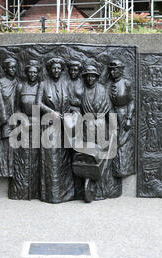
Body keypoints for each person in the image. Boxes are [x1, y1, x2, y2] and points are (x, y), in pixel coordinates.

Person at [79, 64, 121, 201]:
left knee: (102, 157)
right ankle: (87, 187)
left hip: (101, 126)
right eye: (88, 76)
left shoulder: (102, 90)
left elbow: (110, 109)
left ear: (96, 77)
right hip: (87, 127)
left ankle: (100, 189)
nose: (90, 78)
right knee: (89, 157)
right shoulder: (81, 90)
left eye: (93, 76)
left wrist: (114, 127)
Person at [36, 57, 74, 203]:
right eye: (54, 68)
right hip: (50, 126)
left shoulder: (66, 84)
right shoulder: (43, 84)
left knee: (64, 161)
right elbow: (38, 103)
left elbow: (70, 102)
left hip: (64, 126)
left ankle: (66, 194)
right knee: (52, 160)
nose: (56, 70)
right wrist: (52, 112)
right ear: (50, 70)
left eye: (59, 68)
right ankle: (52, 195)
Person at [9, 60, 41, 200]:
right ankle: (20, 191)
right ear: (27, 73)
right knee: (22, 158)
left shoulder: (40, 86)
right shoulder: (20, 87)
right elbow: (16, 107)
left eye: (35, 72)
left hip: (38, 125)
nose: (33, 74)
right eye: (30, 72)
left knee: (35, 158)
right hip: (23, 124)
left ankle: (34, 192)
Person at [108, 60, 135, 177]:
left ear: (121, 70)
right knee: (114, 142)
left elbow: (131, 101)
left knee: (123, 143)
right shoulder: (109, 85)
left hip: (124, 114)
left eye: (115, 70)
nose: (112, 72)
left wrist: (129, 118)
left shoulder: (126, 83)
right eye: (111, 70)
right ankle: (115, 169)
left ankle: (125, 169)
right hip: (113, 114)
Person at [0, 57, 18, 177]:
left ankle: (12, 170)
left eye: (15, 67)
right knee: (3, 146)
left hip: (17, 119)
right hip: (4, 120)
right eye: (11, 67)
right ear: (5, 69)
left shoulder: (17, 83)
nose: (14, 69)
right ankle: (3, 170)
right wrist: (2, 119)